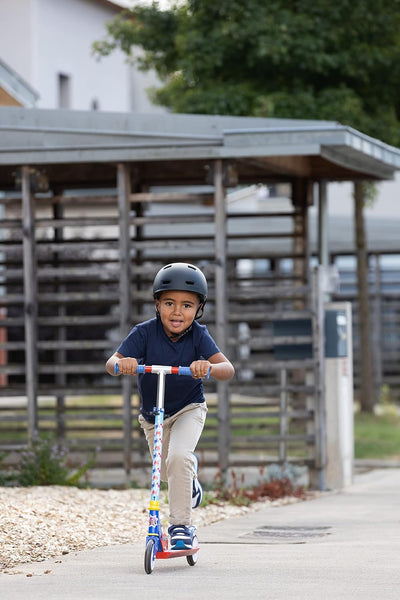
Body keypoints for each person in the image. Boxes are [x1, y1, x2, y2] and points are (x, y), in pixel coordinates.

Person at [106, 262, 235, 549]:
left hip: (189, 408)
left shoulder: (199, 335)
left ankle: (181, 527)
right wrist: (122, 364)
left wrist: (208, 368)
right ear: (157, 303)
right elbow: (111, 362)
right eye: (169, 303)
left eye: (187, 305)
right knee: (165, 472)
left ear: (198, 309)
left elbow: (228, 368)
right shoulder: (144, 332)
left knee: (178, 457)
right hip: (154, 416)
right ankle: (190, 482)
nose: (177, 311)